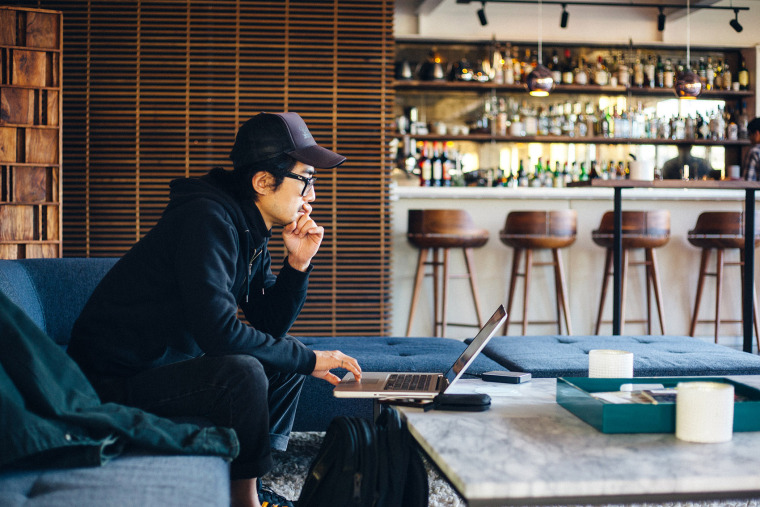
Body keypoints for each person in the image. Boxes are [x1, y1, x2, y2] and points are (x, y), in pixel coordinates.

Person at [67, 112, 363, 507]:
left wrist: (298, 265)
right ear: (262, 182)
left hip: (163, 367)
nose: (312, 194)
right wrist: (308, 359)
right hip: (112, 383)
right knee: (245, 371)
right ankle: (243, 501)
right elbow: (220, 333)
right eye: (305, 179)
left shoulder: (246, 223)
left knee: (286, 358)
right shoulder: (206, 219)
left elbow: (268, 321)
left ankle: (254, 481)